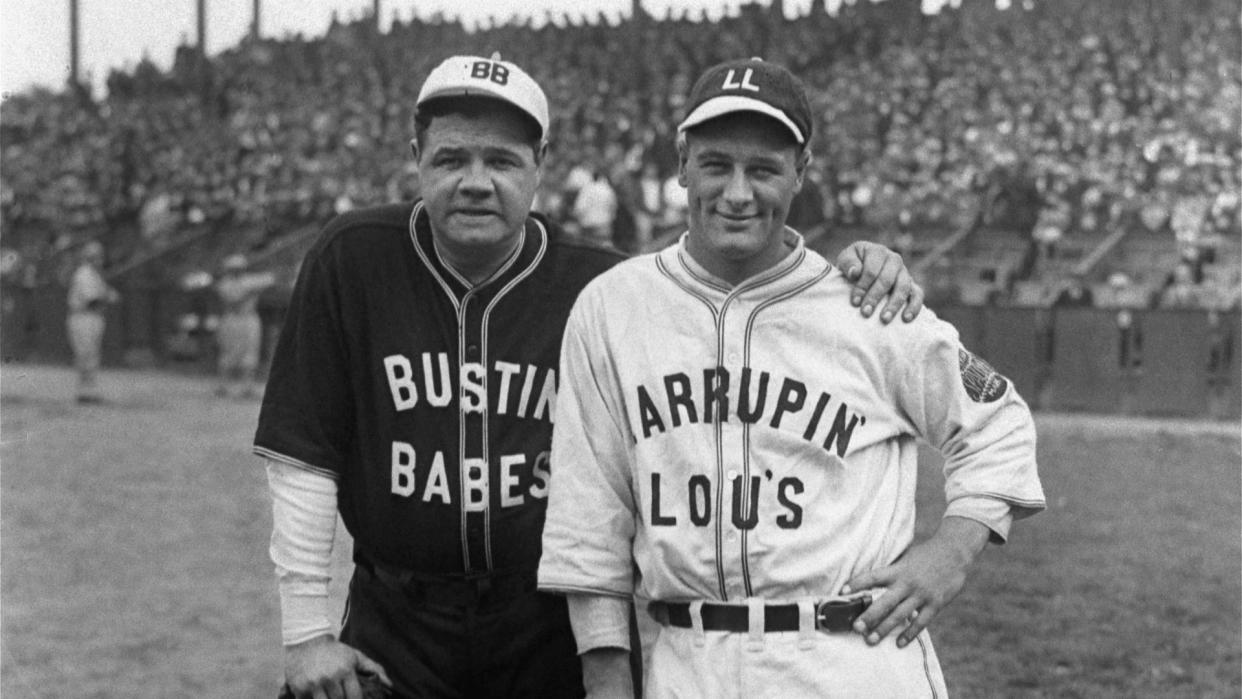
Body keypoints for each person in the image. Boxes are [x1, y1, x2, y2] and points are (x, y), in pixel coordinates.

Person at [254, 54, 926, 699]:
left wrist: (855, 271)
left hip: (548, 619)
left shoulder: (601, 283)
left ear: (541, 166)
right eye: (452, 157)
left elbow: (734, 322)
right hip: (398, 614)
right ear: (416, 157)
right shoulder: (354, 258)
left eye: (503, 160)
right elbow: (303, 455)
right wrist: (306, 630)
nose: (476, 181)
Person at [538, 58, 1047, 698]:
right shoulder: (612, 307)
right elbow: (588, 514)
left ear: (800, 173)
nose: (738, 193)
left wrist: (950, 553)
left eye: (764, 170)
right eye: (717, 164)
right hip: (689, 661)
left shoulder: (867, 306)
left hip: (847, 654)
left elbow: (998, 424)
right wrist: (606, 677)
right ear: (682, 163)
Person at [213, 254, 277, 398]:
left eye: (239, 268)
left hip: (249, 318)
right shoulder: (225, 284)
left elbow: (272, 278)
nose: (237, 271)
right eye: (234, 268)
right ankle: (223, 385)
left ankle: (247, 387)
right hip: (232, 319)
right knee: (228, 352)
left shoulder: (250, 280)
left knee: (250, 353)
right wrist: (250, 291)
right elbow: (234, 300)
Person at [66, 240, 119, 403]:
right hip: (83, 317)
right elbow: (92, 301)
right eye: (96, 256)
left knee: (91, 355)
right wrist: (108, 297)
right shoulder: (84, 273)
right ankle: (84, 392)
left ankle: (88, 391)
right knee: (85, 355)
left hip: (92, 317)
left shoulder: (95, 275)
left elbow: (106, 295)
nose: (100, 259)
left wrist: (108, 295)